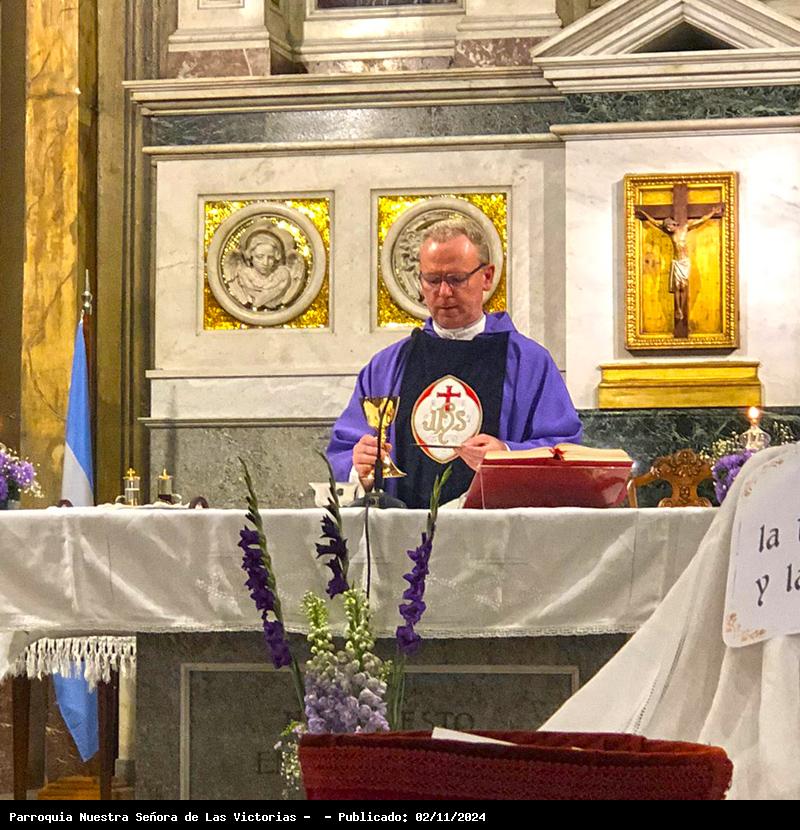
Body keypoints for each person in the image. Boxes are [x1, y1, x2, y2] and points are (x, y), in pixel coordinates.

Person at [327, 218, 582, 508]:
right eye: (432, 280)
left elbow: (566, 451)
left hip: (497, 529)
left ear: (487, 277)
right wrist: (359, 468)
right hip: (403, 530)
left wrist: (507, 455)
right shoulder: (386, 367)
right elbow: (344, 451)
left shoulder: (529, 363)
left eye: (456, 279)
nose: (444, 292)